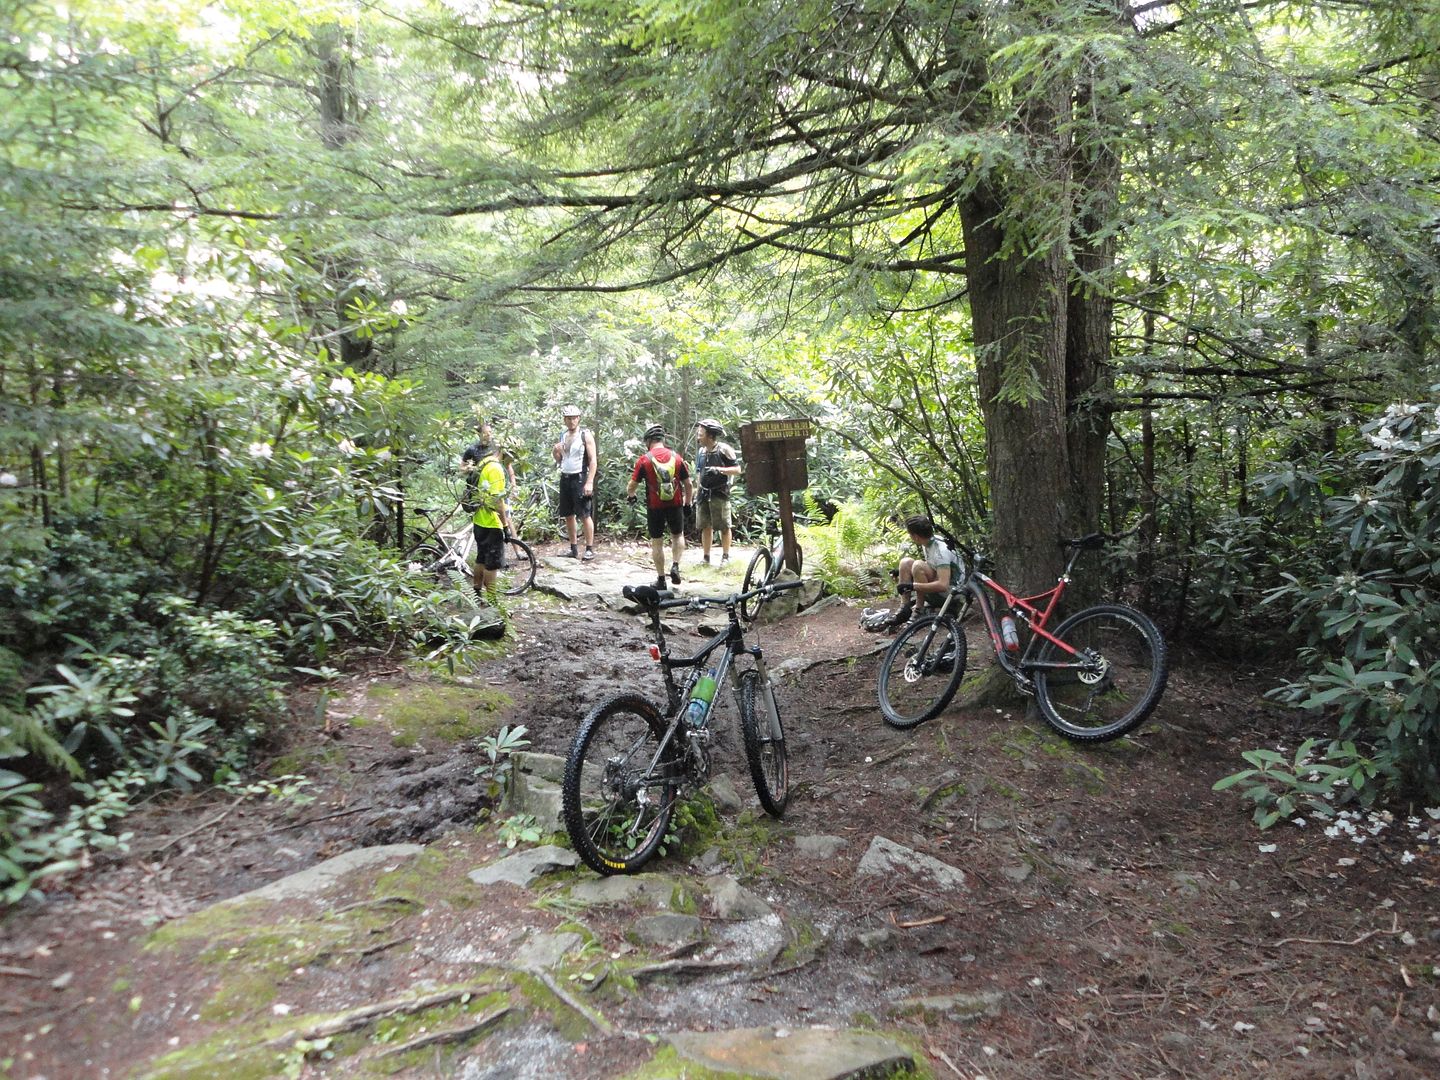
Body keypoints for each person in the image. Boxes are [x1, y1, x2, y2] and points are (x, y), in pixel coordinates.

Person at [626, 424, 693, 589]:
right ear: (662, 440)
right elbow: (688, 484)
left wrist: (631, 496)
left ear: (648, 441)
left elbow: (632, 486)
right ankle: (675, 565)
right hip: (675, 504)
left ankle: (661, 580)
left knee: (657, 541)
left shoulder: (644, 460)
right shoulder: (676, 457)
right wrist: (688, 503)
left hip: (654, 506)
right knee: (677, 535)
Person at [460, 419, 511, 624]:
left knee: (480, 559)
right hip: (491, 523)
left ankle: (476, 595)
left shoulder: (483, 463)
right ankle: (491, 603)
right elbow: (497, 501)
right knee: (492, 565)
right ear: (505, 453)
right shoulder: (497, 469)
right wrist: (505, 526)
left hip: (479, 521)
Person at [891, 514, 963, 628]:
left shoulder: (941, 550)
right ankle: (904, 609)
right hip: (942, 586)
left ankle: (919, 610)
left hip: (952, 594)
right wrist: (902, 573)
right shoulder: (928, 542)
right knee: (906, 562)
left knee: (918, 565)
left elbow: (943, 585)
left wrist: (912, 586)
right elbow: (932, 566)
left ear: (915, 537)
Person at [552, 404, 597, 560]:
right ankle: (573, 548)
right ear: (565, 420)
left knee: (585, 514)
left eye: (574, 418)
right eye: (568, 418)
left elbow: (593, 460)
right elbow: (559, 460)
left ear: (578, 419)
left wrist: (589, 481)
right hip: (565, 477)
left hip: (580, 477)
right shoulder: (563, 435)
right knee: (568, 515)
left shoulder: (585, 435)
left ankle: (589, 548)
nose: (571, 421)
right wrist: (555, 451)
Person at [693, 418, 740, 565]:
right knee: (705, 526)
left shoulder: (724, 449)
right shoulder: (701, 452)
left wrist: (719, 470)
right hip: (704, 494)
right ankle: (706, 557)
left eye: (701, 433)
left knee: (724, 526)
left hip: (719, 494)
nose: (698, 436)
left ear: (710, 435)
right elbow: (699, 473)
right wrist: (697, 491)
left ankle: (725, 557)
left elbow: (737, 470)